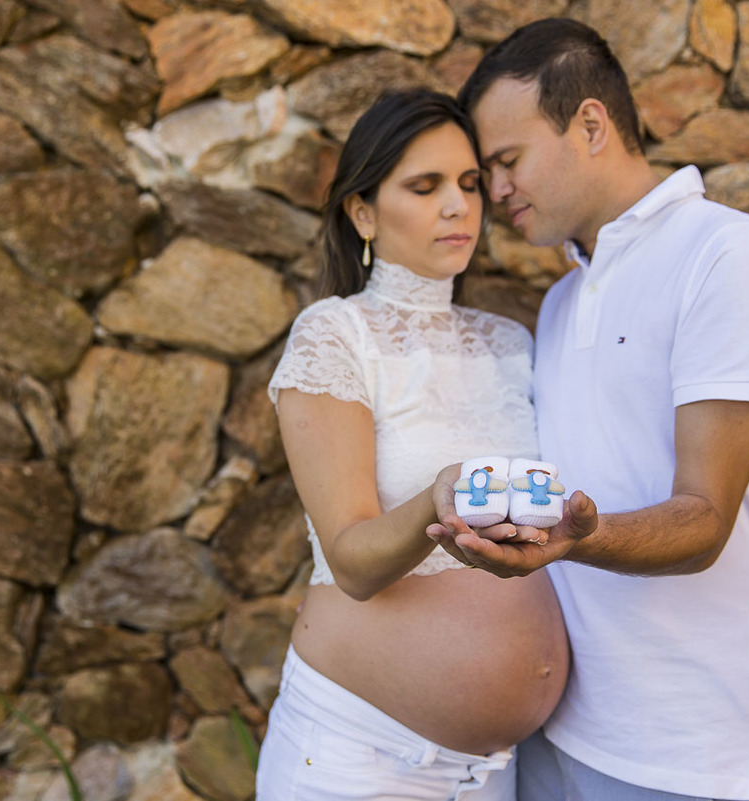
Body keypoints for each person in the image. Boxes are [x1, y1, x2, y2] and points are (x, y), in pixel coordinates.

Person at [427, 17, 749, 801]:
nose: (494, 193)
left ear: (591, 124)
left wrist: (575, 539)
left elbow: (705, 517)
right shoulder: (563, 299)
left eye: (507, 161)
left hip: (684, 754)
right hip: (556, 732)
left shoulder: (728, 253)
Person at [255, 88, 598, 800]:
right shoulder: (336, 335)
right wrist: (436, 502)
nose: (459, 205)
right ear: (362, 212)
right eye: (426, 185)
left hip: (494, 771)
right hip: (362, 760)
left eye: (471, 184)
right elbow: (351, 561)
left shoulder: (512, 343)